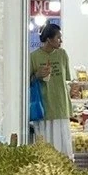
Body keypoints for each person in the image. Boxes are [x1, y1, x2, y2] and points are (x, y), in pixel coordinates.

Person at [30, 23, 73, 155]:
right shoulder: (34, 57)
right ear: (48, 39)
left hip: (60, 106)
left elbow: (67, 80)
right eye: (58, 37)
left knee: (63, 145)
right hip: (43, 107)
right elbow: (26, 82)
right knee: (45, 144)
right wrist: (37, 75)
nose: (61, 40)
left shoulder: (62, 54)